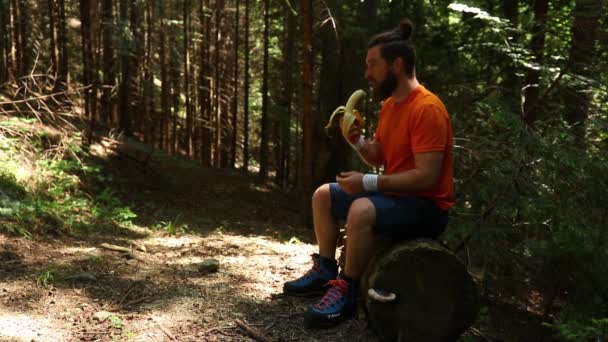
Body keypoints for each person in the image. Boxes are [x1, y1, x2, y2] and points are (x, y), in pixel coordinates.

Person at [283, 19, 455, 329]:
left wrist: (368, 182)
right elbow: (380, 155)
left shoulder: (427, 109)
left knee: (361, 209)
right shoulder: (391, 105)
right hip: (396, 197)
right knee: (324, 195)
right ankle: (325, 270)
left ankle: (347, 291)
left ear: (397, 65)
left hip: (427, 207)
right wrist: (358, 141)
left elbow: (427, 177)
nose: (367, 74)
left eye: (372, 65)